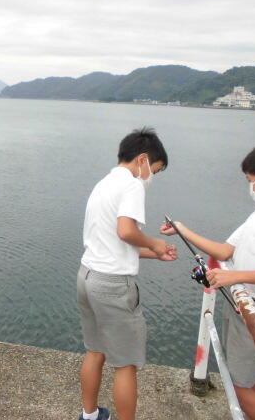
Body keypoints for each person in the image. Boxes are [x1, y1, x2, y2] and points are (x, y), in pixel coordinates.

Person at [161, 140, 255, 420]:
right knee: (251, 380)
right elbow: (225, 251)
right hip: (244, 304)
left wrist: (234, 276)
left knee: (239, 388)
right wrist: (182, 230)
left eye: (251, 180)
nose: (250, 187)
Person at [77, 127, 177, 420]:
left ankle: (90, 415)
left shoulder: (104, 184)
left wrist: (154, 253)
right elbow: (126, 231)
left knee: (95, 351)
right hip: (112, 286)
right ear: (142, 159)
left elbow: (113, 241)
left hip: (87, 276)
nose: (151, 177)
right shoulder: (132, 185)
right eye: (154, 170)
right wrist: (155, 243)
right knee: (126, 365)